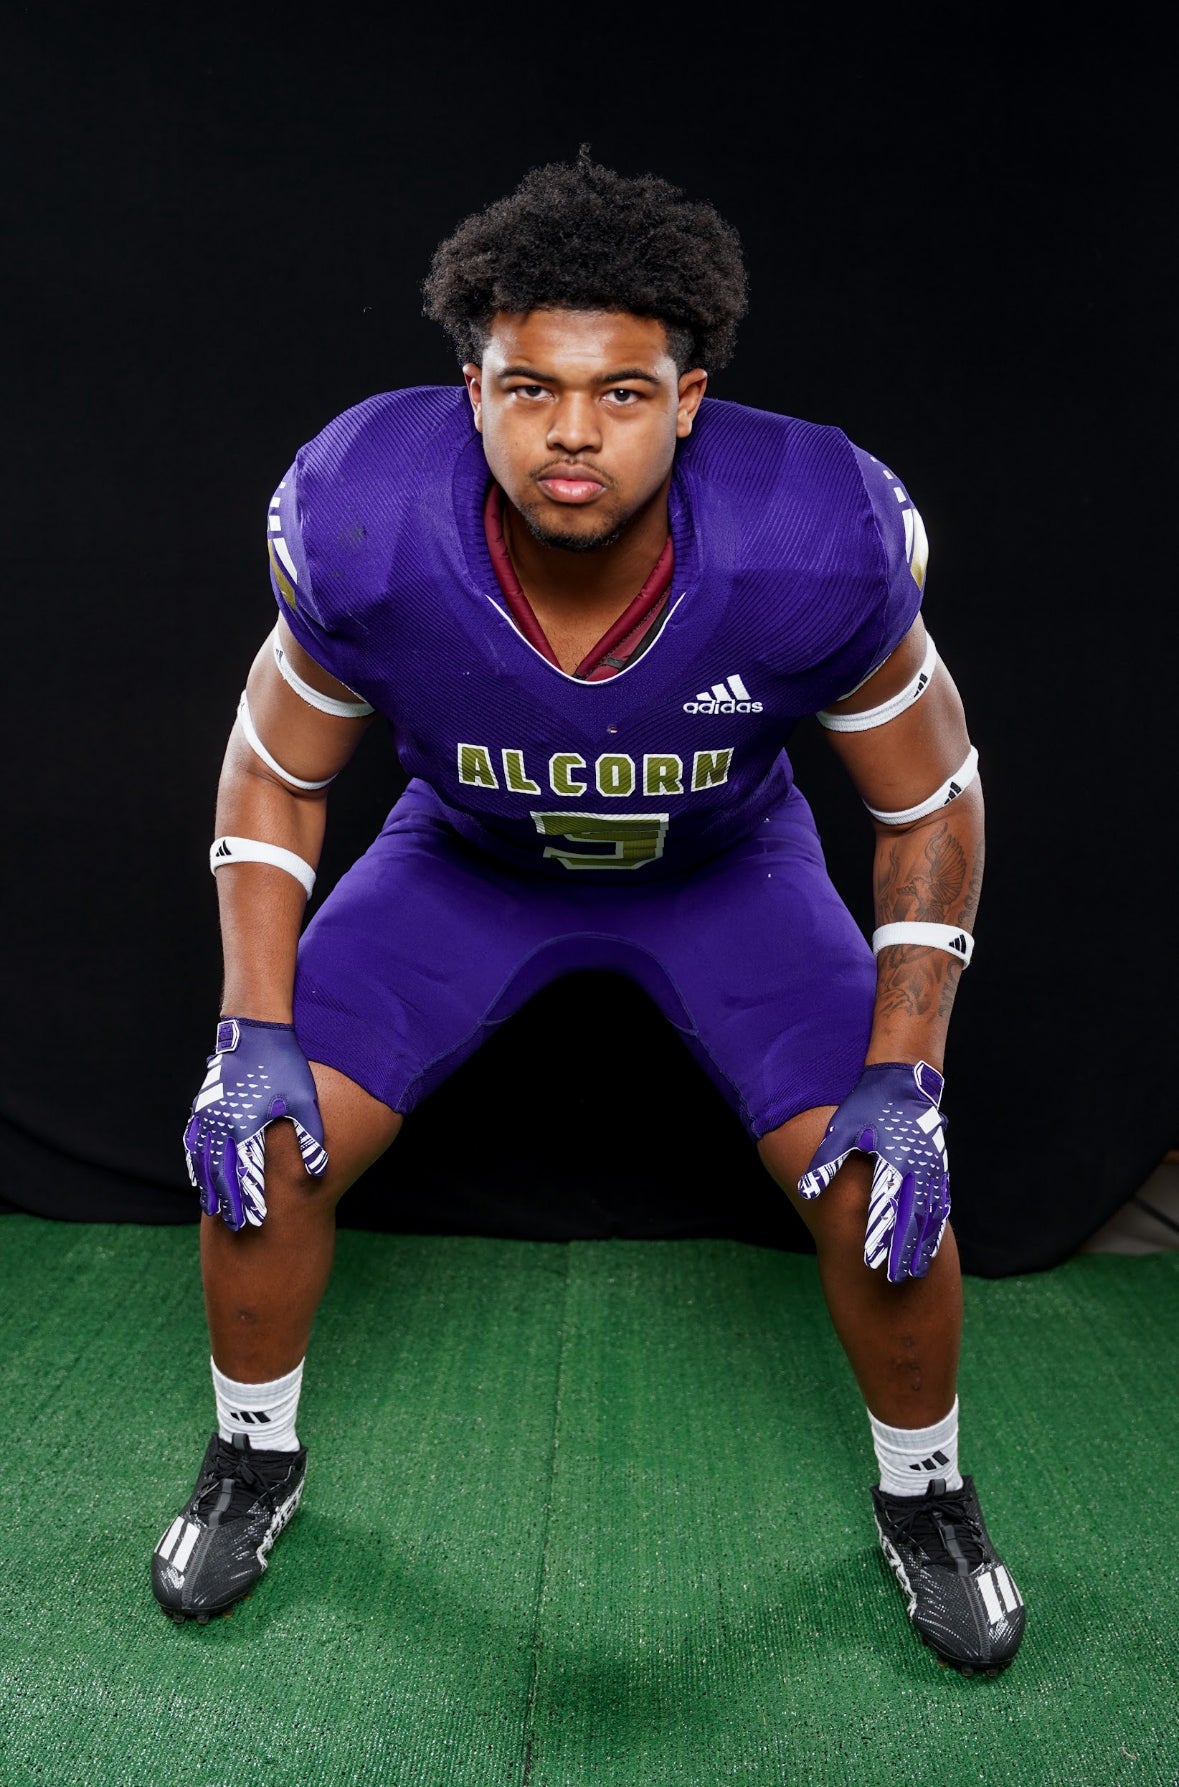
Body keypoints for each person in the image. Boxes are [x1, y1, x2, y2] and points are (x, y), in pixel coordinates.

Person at [154, 151, 1024, 1675]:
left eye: (623, 392)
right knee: (262, 1153)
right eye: (531, 388)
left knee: (875, 1191)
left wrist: (910, 1071)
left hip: (724, 872)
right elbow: (274, 772)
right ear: (473, 392)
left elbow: (932, 801)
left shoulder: (809, 534)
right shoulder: (368, 517)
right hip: (466, 864)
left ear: (689, 403)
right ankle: (253, 1456)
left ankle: (928, 1492)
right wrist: (248, 1031)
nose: (572, 432)